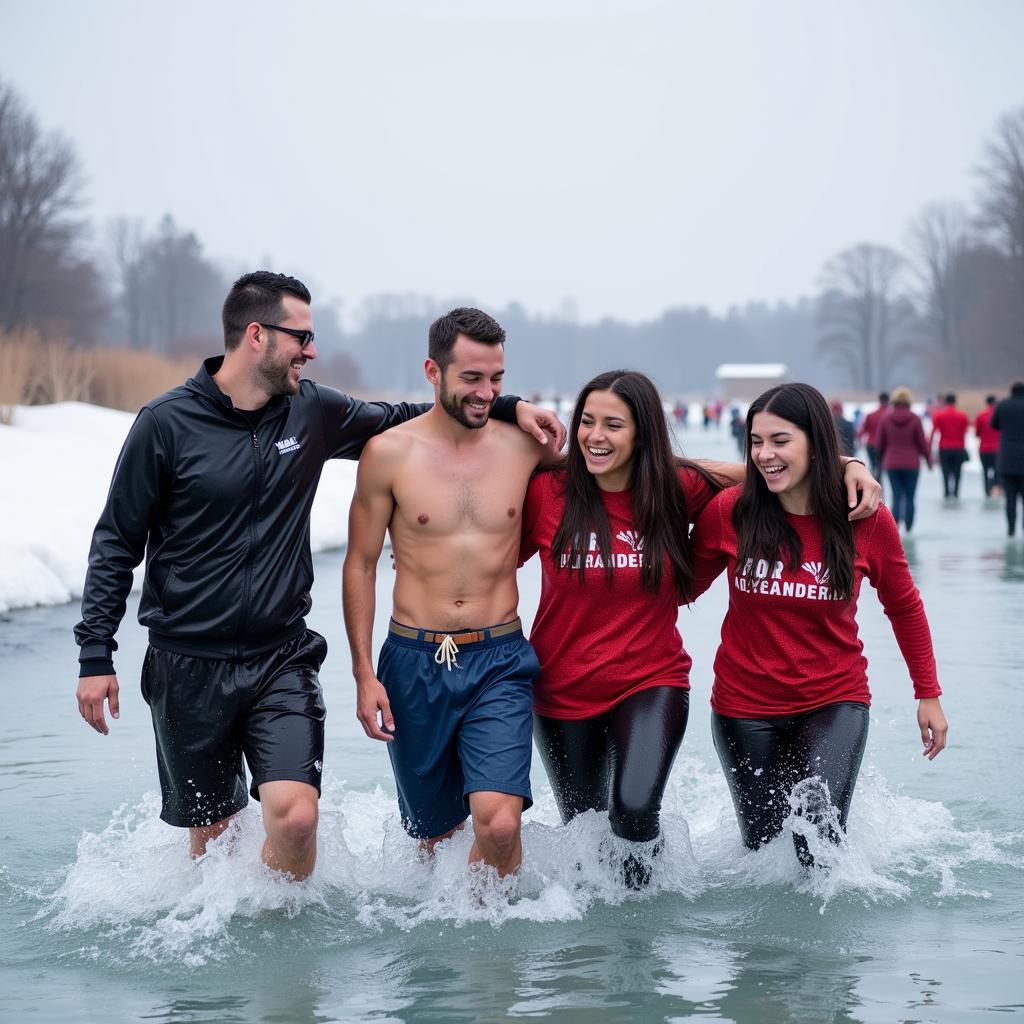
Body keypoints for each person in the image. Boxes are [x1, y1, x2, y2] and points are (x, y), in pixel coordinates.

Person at [74, 276, 562, 881]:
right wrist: (96, 652)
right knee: (213, 836)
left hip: (281, 655)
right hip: (186, 659)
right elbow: (117, 539)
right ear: (258, 335)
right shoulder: (166, 424)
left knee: (298, 820)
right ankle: (225, 945)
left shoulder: (314, 411)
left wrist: (509, 405)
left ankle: (285, 944)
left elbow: (423, 415)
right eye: (302, 337)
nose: (311, 350)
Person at [519, 371, 881, 887]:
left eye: (613, 424)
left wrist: (846, 464)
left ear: (643, 434)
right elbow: (490, 549)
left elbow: (765, 472)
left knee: (634, 809)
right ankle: (608, 940)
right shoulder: (546, 494)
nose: (596, 435)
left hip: (650, 680)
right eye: (587, 422)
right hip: (559, 688)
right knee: (585, 832)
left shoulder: (673, 488)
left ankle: (644, 919)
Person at [343, 307, 561, 884]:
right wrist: (365, 673)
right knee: (434, 839)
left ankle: (491, 964)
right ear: (432, 372)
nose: (487, 392)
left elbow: (626, 469)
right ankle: (444, 958)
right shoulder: (389, 453)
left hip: (499, 659)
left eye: (497, 379)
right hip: (413, 662)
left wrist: (823, 469)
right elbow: (361, 564)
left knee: (498, 826)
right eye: (471, 378)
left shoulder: (526, 445)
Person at [688, 383, 947, 868]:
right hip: (744, 707)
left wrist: (927, 692)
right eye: (756, 441)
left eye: (780, 440)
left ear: (815, 442)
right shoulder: (732, 512)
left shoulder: (864, 519)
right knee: (763, 852)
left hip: (833, 701)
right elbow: (677, 588)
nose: (765, 454)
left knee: (819, 840)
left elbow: (904, 605)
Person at [876, 386, 932, 533]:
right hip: (912, 464)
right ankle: (909, 527)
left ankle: (895, 528)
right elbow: (922, 442)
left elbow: (880, 442)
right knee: (910, 497)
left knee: (896, 496)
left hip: (892, 463)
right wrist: (929, 459)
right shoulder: (915, 419)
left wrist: (880, 461)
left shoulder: (886, 418)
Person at [992, 381, 1024, 537]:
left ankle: (1011, 529)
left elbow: (994, 424)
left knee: (1010, 498)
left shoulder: (1003, 405)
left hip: (1007, 458)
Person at [929, 393, 970, 499]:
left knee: (945, 472)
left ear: (945, 402)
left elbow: (933, 432)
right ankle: (956, 492)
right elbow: (965, 431)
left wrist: (929, 448)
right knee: (957, 471)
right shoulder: (963, 415)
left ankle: (947, 492)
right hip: (958, 447)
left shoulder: (939, 415)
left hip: (944, 447)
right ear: (955, 402)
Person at [857, 391, 890, 484]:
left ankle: (872, 483)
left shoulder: (870, 415)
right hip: (884, 446)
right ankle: (878, 484)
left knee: (873, 465)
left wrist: (858, 440)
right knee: (880, 466)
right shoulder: (890, 415)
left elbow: (863, 430)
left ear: (879, 400)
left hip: (870, 444)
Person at [974, 394, 1001, 499]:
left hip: (984, 448)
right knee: (997, 471)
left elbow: (977, 433)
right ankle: (996, 490)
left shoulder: (981, 415)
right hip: (997, 448)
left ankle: (986, 491)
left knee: (985, 471)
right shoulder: (1000, 415)